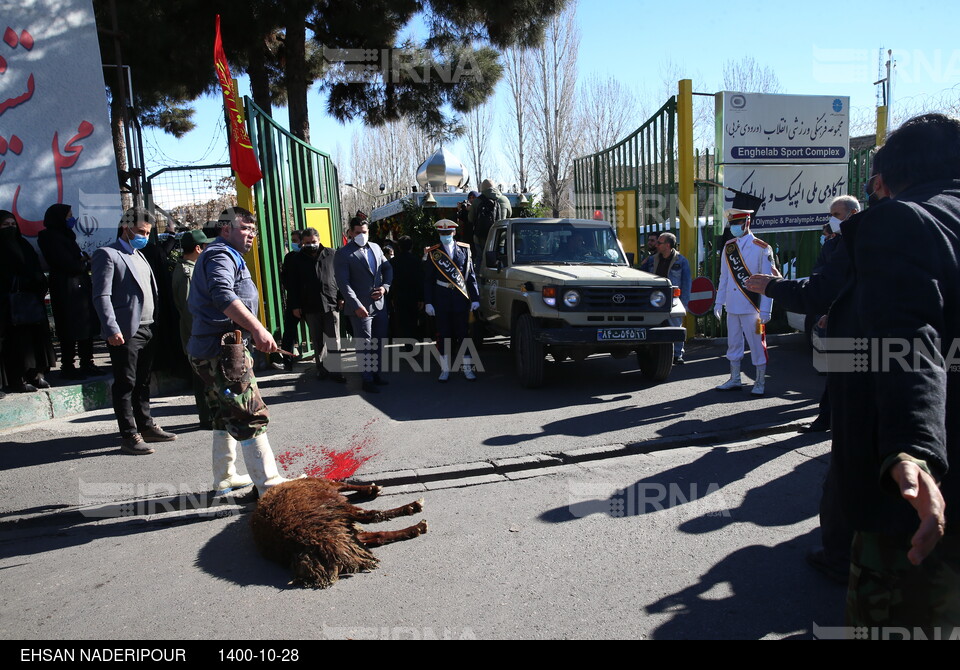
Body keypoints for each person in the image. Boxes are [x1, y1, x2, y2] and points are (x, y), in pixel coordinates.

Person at [825, 113, 960, 630]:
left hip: (915, 508)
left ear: (885, 179)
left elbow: (910, 340)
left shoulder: (901, 221)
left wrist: (914, 450)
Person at [188, 207, 298, 496]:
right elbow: (223, 295)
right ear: (226, 229)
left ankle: (224, 477)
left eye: (253, 229)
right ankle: (269, 484)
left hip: (214, 350)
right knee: (251, 415)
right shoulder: (220, 254)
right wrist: (259, 329)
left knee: (224, 414)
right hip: (223, 353)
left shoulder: (224, 254)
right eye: (246, 228)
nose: (252, 234)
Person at [91, 207, 176, 454]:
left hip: (148, 328)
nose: (145, 236)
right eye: (140, 231)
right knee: (125, 383)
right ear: (125, 228)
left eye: (148, 232)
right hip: (125, 332)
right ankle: (129, 434)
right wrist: (111, 328)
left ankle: (146, 425)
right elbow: (101, 295)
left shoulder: (140, 255)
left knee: (143, 382)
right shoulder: (107, 254)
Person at [713, 208, 775, 396]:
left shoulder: (761, 247)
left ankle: (760, 381)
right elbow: (724, 277)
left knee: (757, 344)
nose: (733, 228)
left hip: (752, 306)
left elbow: (768, 281)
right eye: (731, 224)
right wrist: (718, 302)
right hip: (732, 305)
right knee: (733, 343)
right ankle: (735, 378)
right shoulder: (729, 246)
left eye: (736, 224)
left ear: (746, 223)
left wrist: (766, 310)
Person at [37, 204, 99, 380]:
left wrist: (82, 260)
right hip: (66, 288)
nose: (72, 219)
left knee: (85, 325)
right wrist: (84, 263)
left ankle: (87, 362)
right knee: (69, 327)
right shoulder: (49, 237)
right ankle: (68, 365)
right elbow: (67, 263)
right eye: (68, 216)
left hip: (79, 287)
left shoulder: (67, 236)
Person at [334, 217, 392, 393]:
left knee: (379, 342)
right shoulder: (343, 254)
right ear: (350, 233)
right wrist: (357, 305)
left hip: (379, 305)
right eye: (358, 232)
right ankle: (366, 379)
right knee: (365, 345)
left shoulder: (375, 247)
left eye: (364, 232)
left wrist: (385, 287)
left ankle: (376, 374)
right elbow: (344, 283)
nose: (361, 235)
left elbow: (387, 268)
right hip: (360, 308)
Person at [0, 210, 56, 394]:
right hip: (10, 306)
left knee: (36, 340)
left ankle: (36, 374)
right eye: (5, 225)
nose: (10, 228)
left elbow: (34, 266)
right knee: (17, 343)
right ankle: (18, 379)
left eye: (13, 224)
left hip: (31, 301)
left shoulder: (23, 243)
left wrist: (38, 280)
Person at [282, 227, 345, 382]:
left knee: (334, 339)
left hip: (330, 304)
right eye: (307, 243)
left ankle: (336, 371)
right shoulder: (297, 260)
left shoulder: (331, 254)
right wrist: (296, 305)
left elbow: (340, 278)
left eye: (313, 242)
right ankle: (321, 369)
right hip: (309, 305)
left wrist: (341, 297)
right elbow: (293, 285)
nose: (311, 245)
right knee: (317, 340)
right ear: (303, 243)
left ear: (319, 239)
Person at [423, 219, 480, 382]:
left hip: (461, 299)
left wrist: (475, 298)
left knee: (464, 335)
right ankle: (445, 369)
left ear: (454, 232)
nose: (445, 236)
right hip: (441, 299)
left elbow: (471, 276)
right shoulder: (434, 253)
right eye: (442, 233)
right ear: (439, 234)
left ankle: (467, 369)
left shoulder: (465, 250)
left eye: (448, 233)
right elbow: (428, 280)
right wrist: (428, 302)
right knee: (444, 335)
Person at [171, 228, 213, 428]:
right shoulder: (188, 273)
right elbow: (190, 309)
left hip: (197, 332)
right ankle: (207, 417)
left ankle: (210, 414)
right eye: (205, 247)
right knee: (202, 377)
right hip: (197, 333)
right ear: (198, 248)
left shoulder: (189, 268)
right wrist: (201, 334)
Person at [640, 232, 692, 364]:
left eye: (659, 243)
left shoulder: (681, 261)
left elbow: (686, 283)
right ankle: (655, 353)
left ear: (667, 245)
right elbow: (641, 274)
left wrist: (684, 303)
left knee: (675, 325)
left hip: (673, 298)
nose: (656, 245)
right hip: (655, 299)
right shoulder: (652, 259)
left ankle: (677, 354)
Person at [389, 236, 424, 348]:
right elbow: (420, 280)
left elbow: (390, 281)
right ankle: (412, 343)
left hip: (399, 296)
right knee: (413, 320)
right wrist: (421, 298)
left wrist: (391, 298)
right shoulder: (416, 261)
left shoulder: (393, 262)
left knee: (402, 321)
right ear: (411, 246)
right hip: (413, 296)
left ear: (399, 247)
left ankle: (406, 344)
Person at [469, 180, 512, 251]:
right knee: (499, 259)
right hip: (500, 238)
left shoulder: (477, 201)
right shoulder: (504, 200)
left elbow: (470, 218)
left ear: (482, 188)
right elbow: (509, 215)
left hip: (480, 237)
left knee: (480, 258)